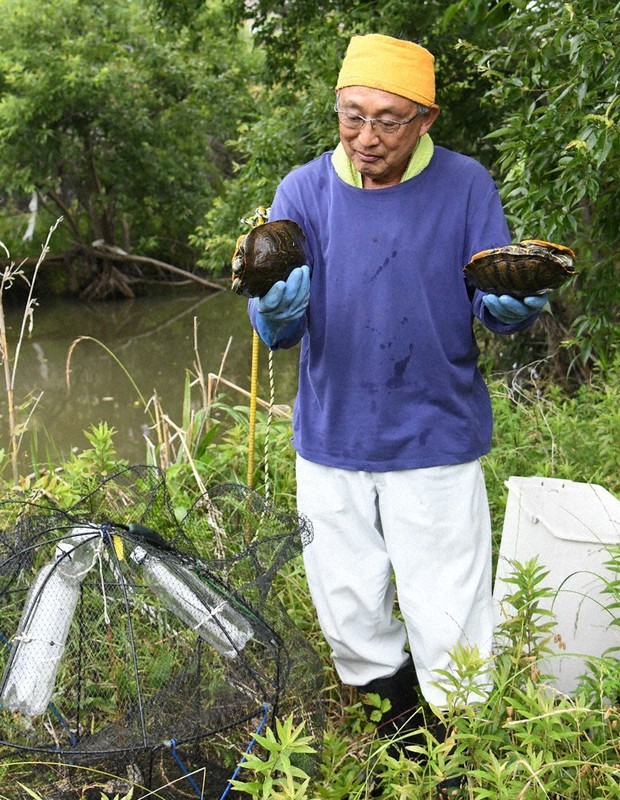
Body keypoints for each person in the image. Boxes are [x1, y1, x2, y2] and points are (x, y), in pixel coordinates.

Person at [248, 32, 547, 792]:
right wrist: (274, 315)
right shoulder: (304, 191)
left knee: (447, 606)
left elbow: (490, 291)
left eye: (388, 119)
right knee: (349, 607)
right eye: (352, 117)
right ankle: (394, 739)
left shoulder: (465, 183)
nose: (367, 137)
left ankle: (457, 759)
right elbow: (276, 309)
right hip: (332, 435)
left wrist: (510, 308)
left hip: (436, 433)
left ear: (426, 119)